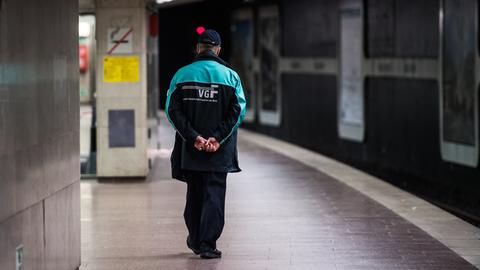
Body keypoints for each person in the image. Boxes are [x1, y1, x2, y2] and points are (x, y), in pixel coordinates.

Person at [165, 29, 246, 259]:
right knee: (214, 196)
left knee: (195, 194)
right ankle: (208, 244)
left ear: (198, 48)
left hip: (192, 150)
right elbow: (238, 112)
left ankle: (195, 238)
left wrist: (194, 138)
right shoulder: (231, 76)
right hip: (219, 152)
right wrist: (217, 138)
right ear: (218, 49)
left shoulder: (181, 75)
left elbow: (172, 111)